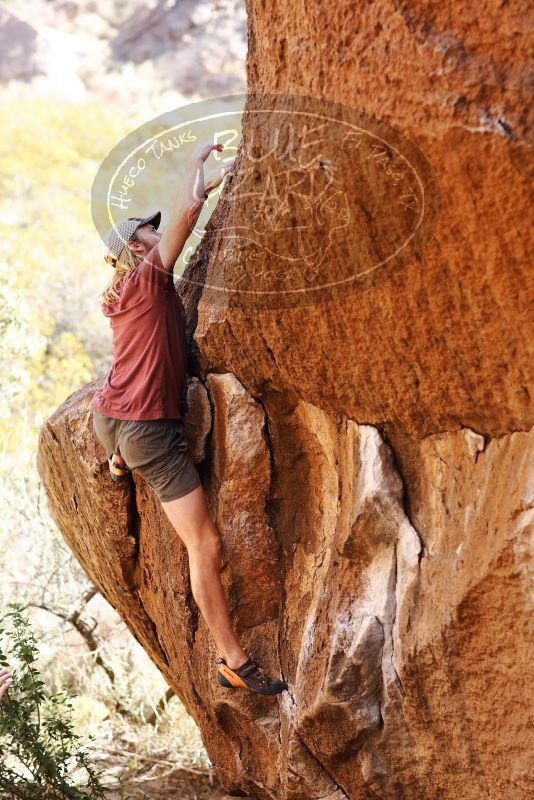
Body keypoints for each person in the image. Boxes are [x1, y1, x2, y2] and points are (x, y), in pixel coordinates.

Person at [92, 142, 288, 696]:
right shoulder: (151, 278)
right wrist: (194, 166)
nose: (159, 234)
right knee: (206, 547)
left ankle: (114, 465)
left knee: (118, 437)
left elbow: (184, 216)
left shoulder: (120, 292)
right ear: (137, 245)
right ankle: (233, 661)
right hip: (148, 433)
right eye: (148, 231)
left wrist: (213, 180)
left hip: (108, 417)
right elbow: (187, 214)